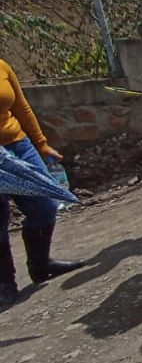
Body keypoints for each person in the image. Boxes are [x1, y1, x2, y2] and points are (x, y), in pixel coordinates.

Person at [0, 59, 84, 303]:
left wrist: (42, 144)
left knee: (46, 205)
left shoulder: (3, 65)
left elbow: (21, 107)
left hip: (19, 145)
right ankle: (5, 283)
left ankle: (40, 264)